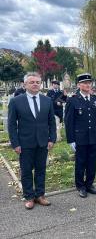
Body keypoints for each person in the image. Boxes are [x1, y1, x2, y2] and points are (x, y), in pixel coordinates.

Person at [8, 72, 56, 210]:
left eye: (37, 82)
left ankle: (40, 195)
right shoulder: (16, 101)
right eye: (32, 82)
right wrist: (15, 143)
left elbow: (51, 122)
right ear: (25, 84)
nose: (35, 84)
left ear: (40, 84)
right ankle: (29, 196)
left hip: (42, 142)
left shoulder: (47, 100)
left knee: (41, 170)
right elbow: (11, 125)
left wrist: (52, 139)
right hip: (25, 143)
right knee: (26, 170)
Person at [64, 73, 96, 198]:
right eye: (84, 83)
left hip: (94, 137)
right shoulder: (73, 100)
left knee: (92, 162)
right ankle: (80, 186)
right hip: (80, 138)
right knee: (80, 163)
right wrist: (71, 140)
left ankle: (90, 184)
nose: (87, 85)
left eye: (89, 83)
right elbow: (69, 121)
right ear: (79, 85)